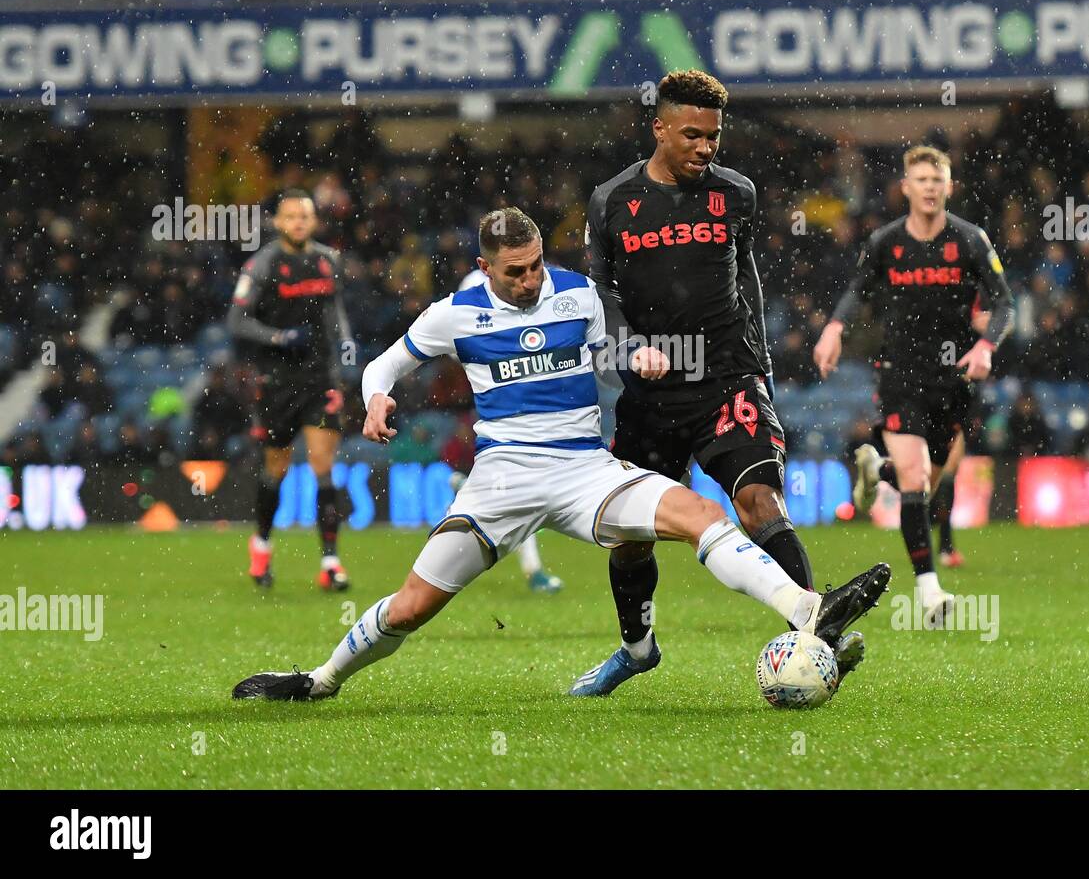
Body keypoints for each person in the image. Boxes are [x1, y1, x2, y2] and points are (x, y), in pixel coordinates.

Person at [232, 207, 889, 702]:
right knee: (411, 607)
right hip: (500, 484)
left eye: (536, 264)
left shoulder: (576, 292)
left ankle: (808, 608)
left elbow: (623, 339)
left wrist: (642, 353)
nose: (529, 280)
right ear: (485, 267)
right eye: (514, 271)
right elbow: (381, 366)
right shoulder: (455, 313)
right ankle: (320, 680)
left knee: (696, 513)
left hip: (583, 470)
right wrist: (375, 399)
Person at [578, 69, 869, 696]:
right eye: (692, 135)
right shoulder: (612, 201)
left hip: (726, 379)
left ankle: (817, 632)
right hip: (652, 393)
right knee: (629, 540)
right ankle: (636, 648)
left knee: (759, 500)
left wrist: (757, 361)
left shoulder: (736, 193)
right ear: (658, 128)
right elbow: (599, 289)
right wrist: (630, 346)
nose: (706, 148)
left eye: (713, 136)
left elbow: (746, 275)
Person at [814, 146, 1013, 625]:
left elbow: (1005, 303)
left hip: (955, 380)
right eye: (920, 179)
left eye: (937, 179)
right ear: (905, 187)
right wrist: (835, 328)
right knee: (917, 477)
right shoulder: (885, 242)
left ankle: (873, 469)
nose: (929, 187)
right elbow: (857, 291)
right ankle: (929, 591)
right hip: (900, 374)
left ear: (950, 187)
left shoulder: (971, 240)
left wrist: (986, 346)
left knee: (925, 483)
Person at [228, 189, 352, 592]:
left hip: (318, 380)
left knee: (322, 464)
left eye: (305, 216)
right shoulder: (263, 264)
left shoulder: (327, 260)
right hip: (276, 382)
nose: (299, 222)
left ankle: (330, 563)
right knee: (276, 470)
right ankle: (261, 546)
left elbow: (336, 316)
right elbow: (238, 321)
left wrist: (345, 356)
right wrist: (280, 337)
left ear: (314, 222)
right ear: (278, 222)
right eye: (291, 216)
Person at [453, 267, 564, 595]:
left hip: (531, 391)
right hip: (496, 396)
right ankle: (534, 571)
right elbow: (456, 339)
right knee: (521, 480)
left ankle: (469, 487)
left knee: (520, 482)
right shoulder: (473, 285)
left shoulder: (540, 278)